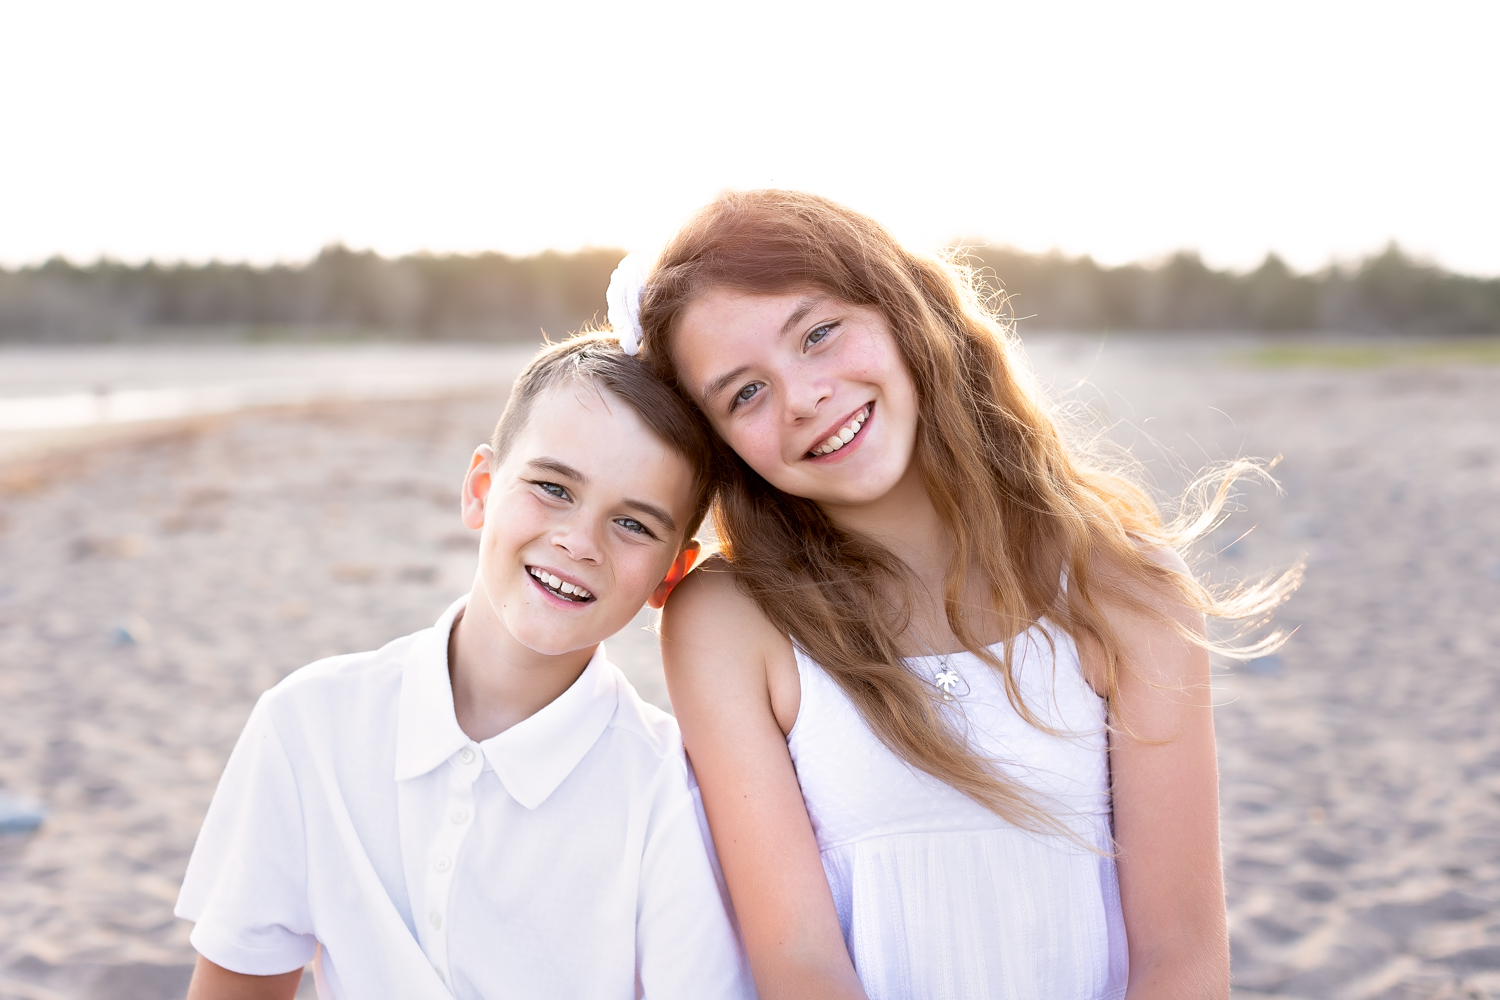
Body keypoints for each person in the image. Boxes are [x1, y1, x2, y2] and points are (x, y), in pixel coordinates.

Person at [621, 191, 1299, 1000]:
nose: (802, 396)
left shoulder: (1121, 585)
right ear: (723, 446)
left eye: (818, 334)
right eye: (745, 393)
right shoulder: (730, 622)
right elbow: (799, 961)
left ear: (902, 311)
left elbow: (1181, 954)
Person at [175, 335, 756, 1000]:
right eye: (551, 488)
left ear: (669, 575)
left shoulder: (667, 797)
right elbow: (238, 984)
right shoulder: (306, 725)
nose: (578, 542)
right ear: (481, 489)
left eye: (633, 525)